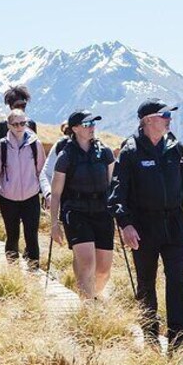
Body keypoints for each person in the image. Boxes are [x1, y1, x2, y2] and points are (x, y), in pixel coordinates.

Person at [108, 98, 183, 351]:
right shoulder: (130, 151)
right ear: (148, 120)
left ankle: (179, 339)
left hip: (173, 225)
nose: (169, 119)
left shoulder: (175, 148)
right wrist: (125, 224)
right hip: (143, 227)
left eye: (169, 115)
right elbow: (117, 194)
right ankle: (150, 335)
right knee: (146, 283)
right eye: (164, 115)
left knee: (176, 280)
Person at [50, 111, 116, 299]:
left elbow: (114, 185)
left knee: (103, 270)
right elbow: (56, 194)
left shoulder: (105, 152)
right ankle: (87, 310)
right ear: (75, 129)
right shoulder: (66, 156)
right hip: (76, 212)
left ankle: (92, 295)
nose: (92, 127)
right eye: (87, 124)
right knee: (87, 263)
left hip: (103, 212)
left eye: (93, 123)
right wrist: (54, 224)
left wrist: (122, 213)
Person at [0, 108, 46, 268]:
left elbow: (42, 172)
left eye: (23, 123)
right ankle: (12, 272)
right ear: (9, 126)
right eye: (16, 124)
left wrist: (47, 194)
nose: (20, 127)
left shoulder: (36, 145)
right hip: (8, 199)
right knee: (12, 236)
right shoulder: (1, 147)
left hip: (31, 198)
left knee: (31, 236)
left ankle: (34, 271)